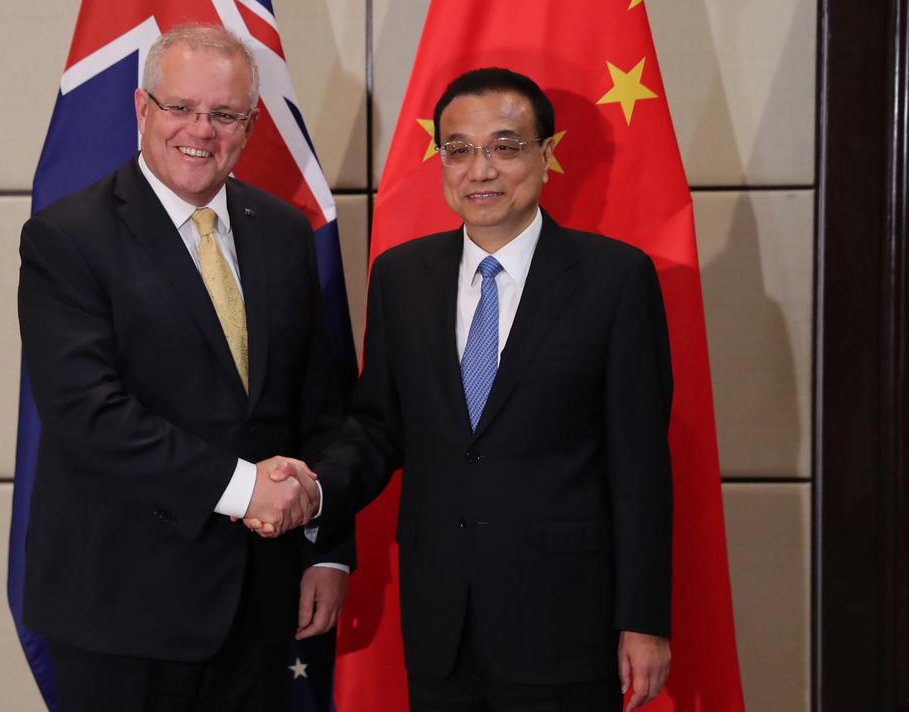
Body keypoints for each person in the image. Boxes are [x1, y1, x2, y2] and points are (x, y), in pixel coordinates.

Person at [273, 67, 674, 711]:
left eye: (505, 146)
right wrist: (315, 489)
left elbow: (641, 468)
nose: (479, 169)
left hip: (565, 621)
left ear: (546, 155)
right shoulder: (402, 277)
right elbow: (377, 428)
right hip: (441, 621)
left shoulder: (614, 280)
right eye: (458, 149)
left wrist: (645, 618)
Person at [17, 24, 350, 711]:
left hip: (259, 606)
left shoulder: (284, 231)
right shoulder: (66, 238)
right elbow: (88, 416)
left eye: (224, 114)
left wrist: (325, 548)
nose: (200, 130)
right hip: (120, 614)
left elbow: (315, 404)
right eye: (180, 108)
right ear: (142, 109)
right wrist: (242, 489)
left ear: (250, 126)